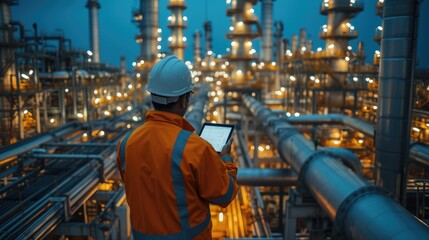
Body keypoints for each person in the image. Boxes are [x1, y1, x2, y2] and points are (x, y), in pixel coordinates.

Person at [116, 55, 239, 239]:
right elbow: (225, 195)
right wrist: (226, 161)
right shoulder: (196, 148)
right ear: (184, 100)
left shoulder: (126, 143)